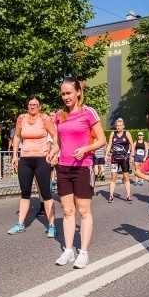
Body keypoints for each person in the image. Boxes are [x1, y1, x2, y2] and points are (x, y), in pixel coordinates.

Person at [53, 76, 106, 269]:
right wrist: (53, 152)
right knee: (67, 211)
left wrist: (85, 149)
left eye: (69, 93)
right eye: (63, 94)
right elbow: (59, 140)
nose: (66, 97)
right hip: (64, 167)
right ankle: (68, 250)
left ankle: (83, 252)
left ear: (77, 92)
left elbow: (101, 140)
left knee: (83, 211)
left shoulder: (88, 112)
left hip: (83, 167)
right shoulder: (59, 115)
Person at [8, 98, 58, 236]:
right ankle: (20, 224)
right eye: (30, 105)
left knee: (46, 193)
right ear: (27, 106)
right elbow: (17, 137)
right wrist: (14, 155)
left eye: (35, 105)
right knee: (25, 193)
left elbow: (55, 135)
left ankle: (52, 226)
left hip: (42, 159)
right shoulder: (21, 118)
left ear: (40, 106)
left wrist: (53, 153)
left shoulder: (45, 119)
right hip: (25, 159)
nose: (32, 107)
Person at [105, 118, 135, 203]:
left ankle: (128, 196)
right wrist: (106, 155)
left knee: (126, 177)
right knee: (113, 177)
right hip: (114, 159)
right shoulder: (112, 133)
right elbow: (109, 144)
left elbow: (132, 144)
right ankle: (111, 196)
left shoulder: (127, 133)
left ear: (123, 126)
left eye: (120, 126)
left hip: (124, 159)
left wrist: (132, 154)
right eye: (117, 126)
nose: (118, 127)